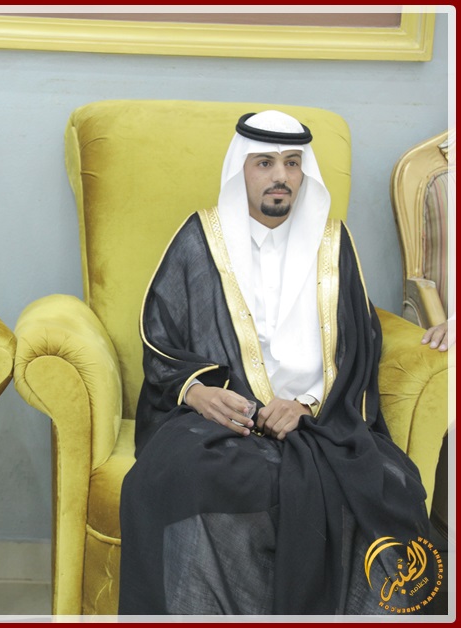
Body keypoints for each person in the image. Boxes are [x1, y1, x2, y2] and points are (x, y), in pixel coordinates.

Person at [118, 111, 435, 615]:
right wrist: (197, 392)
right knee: (184, 479)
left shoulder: (333, 244)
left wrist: (307, 404)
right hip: (225, 422)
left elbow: (359, 345)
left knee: (388, 485)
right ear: (240, 170)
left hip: (321, 422)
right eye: (264, 163)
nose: (280, 176)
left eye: (291, 163)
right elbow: (160, 336)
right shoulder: (201, 238)